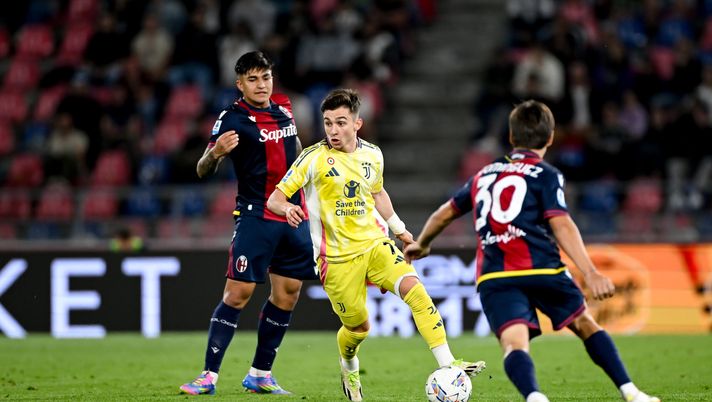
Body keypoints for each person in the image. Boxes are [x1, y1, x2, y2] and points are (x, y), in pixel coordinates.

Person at [404, 100, 660, 402]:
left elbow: (444, 214)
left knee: (514, 343)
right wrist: (590, 272)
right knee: (584, 323)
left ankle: (534, 396)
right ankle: (631, 393)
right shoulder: (546, 174)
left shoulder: (484, 175)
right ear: (551, 138)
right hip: (542, 267)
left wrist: (422, 243)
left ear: (511, 139)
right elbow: (561, 224)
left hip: (495, 275)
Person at [266, 89, 485, 401]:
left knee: (417, 292)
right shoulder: (312, 158)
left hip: (375, 244)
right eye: (327, 123)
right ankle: (349, 365)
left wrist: (400, 230)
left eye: (340, 122)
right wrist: (288, 208)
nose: (333, 130)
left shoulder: (373, 154)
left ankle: (449, 365)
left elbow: (378, 193)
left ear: (357, 123)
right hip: (337, 258)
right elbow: (275, 198)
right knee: (358, 329)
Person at [179, 51, 316, 396]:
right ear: (240, 84)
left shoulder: (285, 109)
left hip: (293, 214)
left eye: (266, 77)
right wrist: (215, 153)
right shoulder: (232, 118)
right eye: (253, 79)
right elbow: (201, 169)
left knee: (288, 294)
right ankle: (208, 375)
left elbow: (297, 150)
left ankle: (260, 374)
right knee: (238, 293)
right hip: (256, 216)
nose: (261, 85)